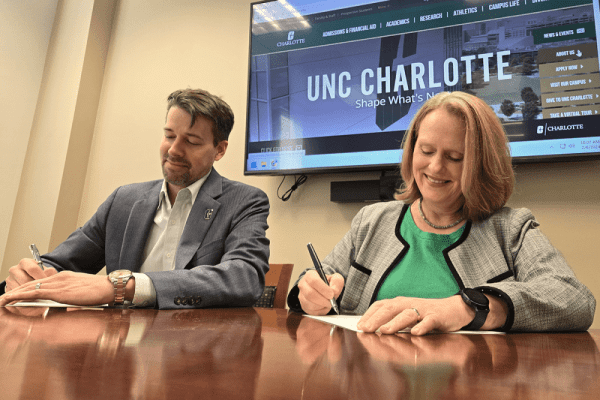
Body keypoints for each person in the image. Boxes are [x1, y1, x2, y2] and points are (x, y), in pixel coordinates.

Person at [287, 91, 595, 334]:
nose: (435, 168)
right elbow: (320, 279)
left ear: (482, 164)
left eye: (455, 157)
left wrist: (466, 308)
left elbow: (574, 300)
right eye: (426, 151)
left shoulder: (511, 229)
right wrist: (310, 292)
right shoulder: (372, 220)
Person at [0, 88, 270, 309]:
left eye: (192, 141)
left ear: (219, 150)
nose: (173, 150)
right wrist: (32, 276)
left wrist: (122, 286)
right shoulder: (124, 200)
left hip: (196, 351)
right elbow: (62, 263)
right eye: (169, 136)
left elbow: (243, 277)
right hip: (118, 349)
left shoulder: (245, 201)